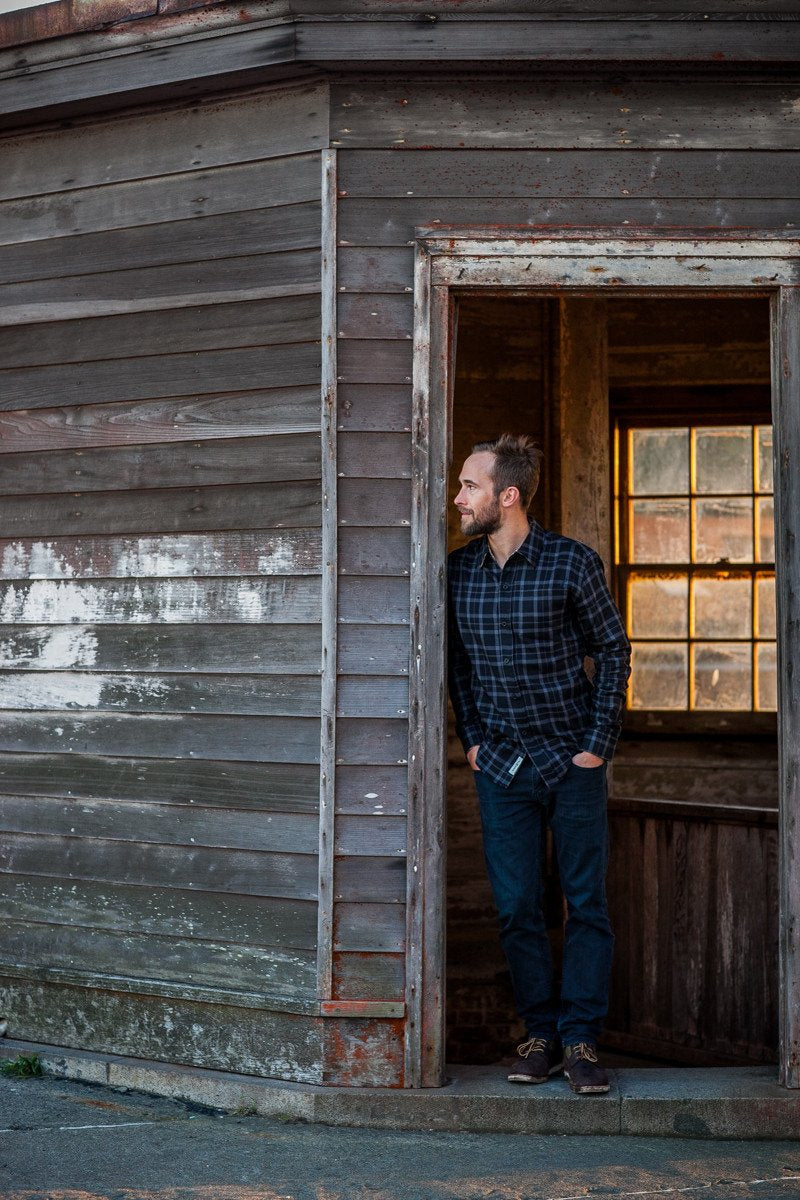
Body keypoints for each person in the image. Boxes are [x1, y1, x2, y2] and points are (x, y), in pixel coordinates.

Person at [448, 433, 631, 1095]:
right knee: (518, 906)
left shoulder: (570, 564)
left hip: (571, 762)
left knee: (585, 905)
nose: (458, 498)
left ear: (509, 495)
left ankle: (582, 1041)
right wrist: (470, 738)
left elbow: (612, 651)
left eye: (470, 486)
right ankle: (540, 1035)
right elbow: (458, 668)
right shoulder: (458, 572)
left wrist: (597, 745)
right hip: (500, 766)